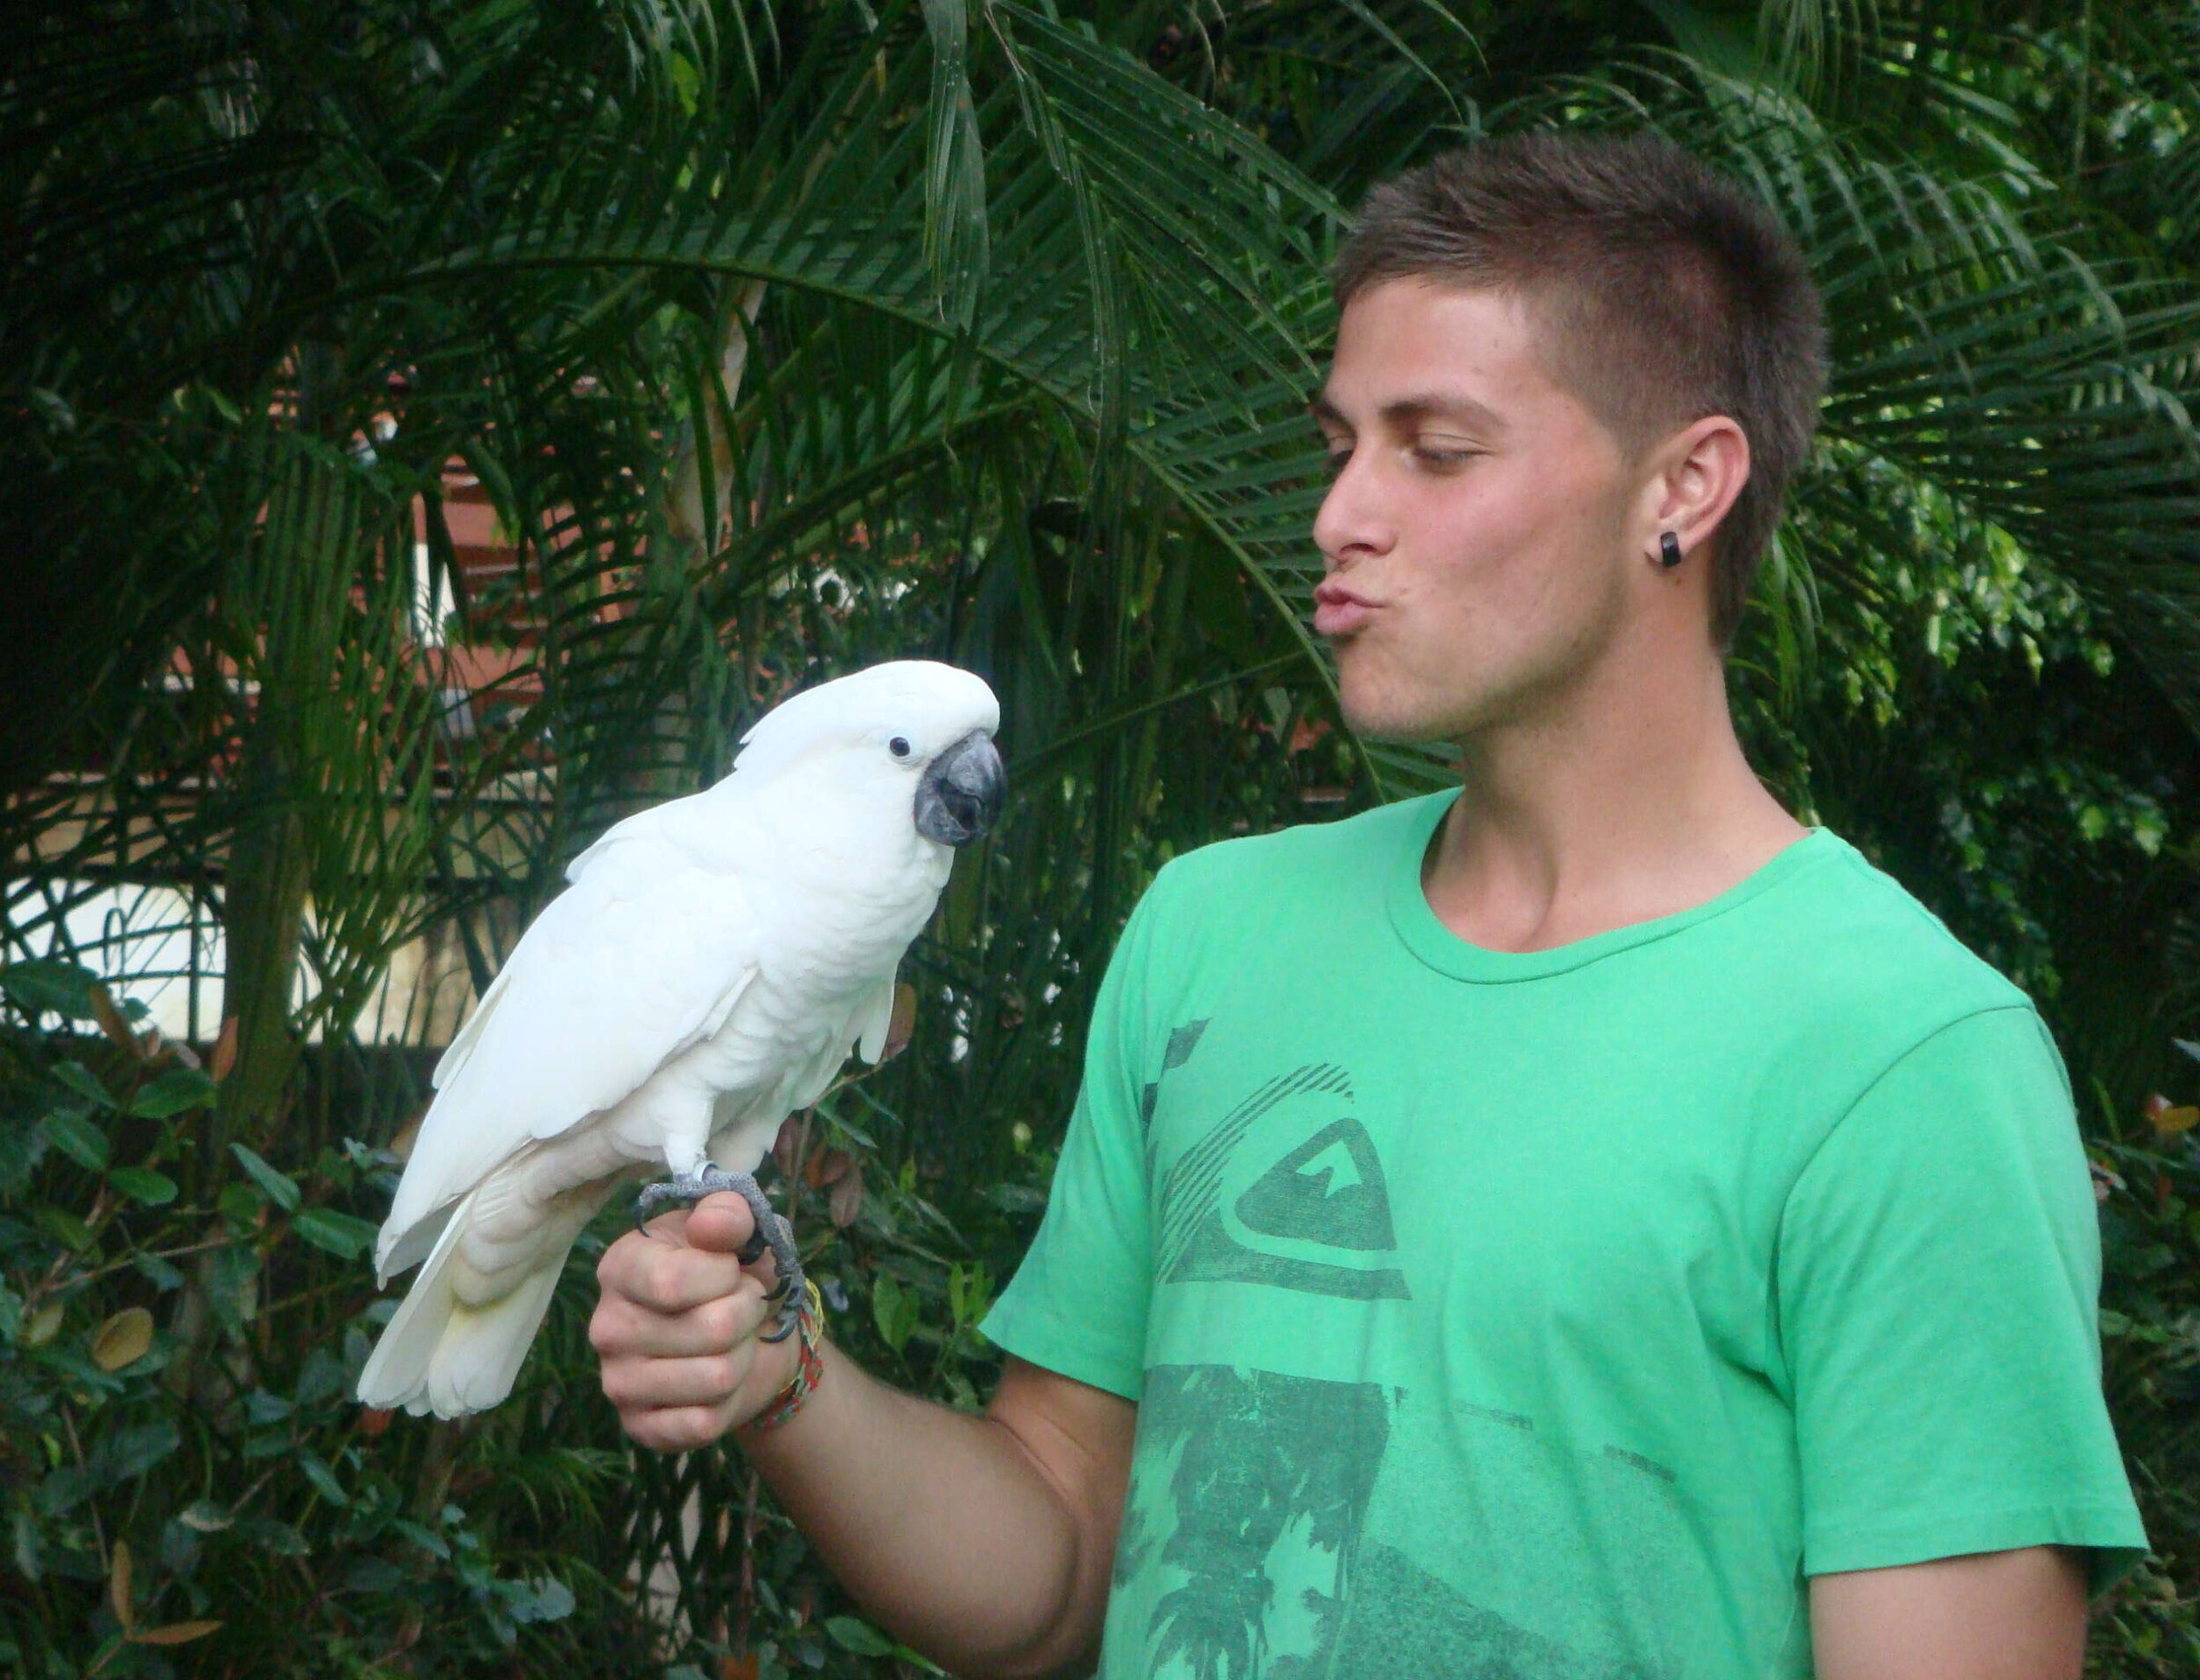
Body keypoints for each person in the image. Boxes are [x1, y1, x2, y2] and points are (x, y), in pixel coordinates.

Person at [589, 132, 2147, 1677]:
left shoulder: (1905, 1060)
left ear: (1686, 484)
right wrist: (775, 1376)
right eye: (1342, 444)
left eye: (1437, 449)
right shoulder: (1210, 931)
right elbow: (1062, 1566)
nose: (1338, 515)